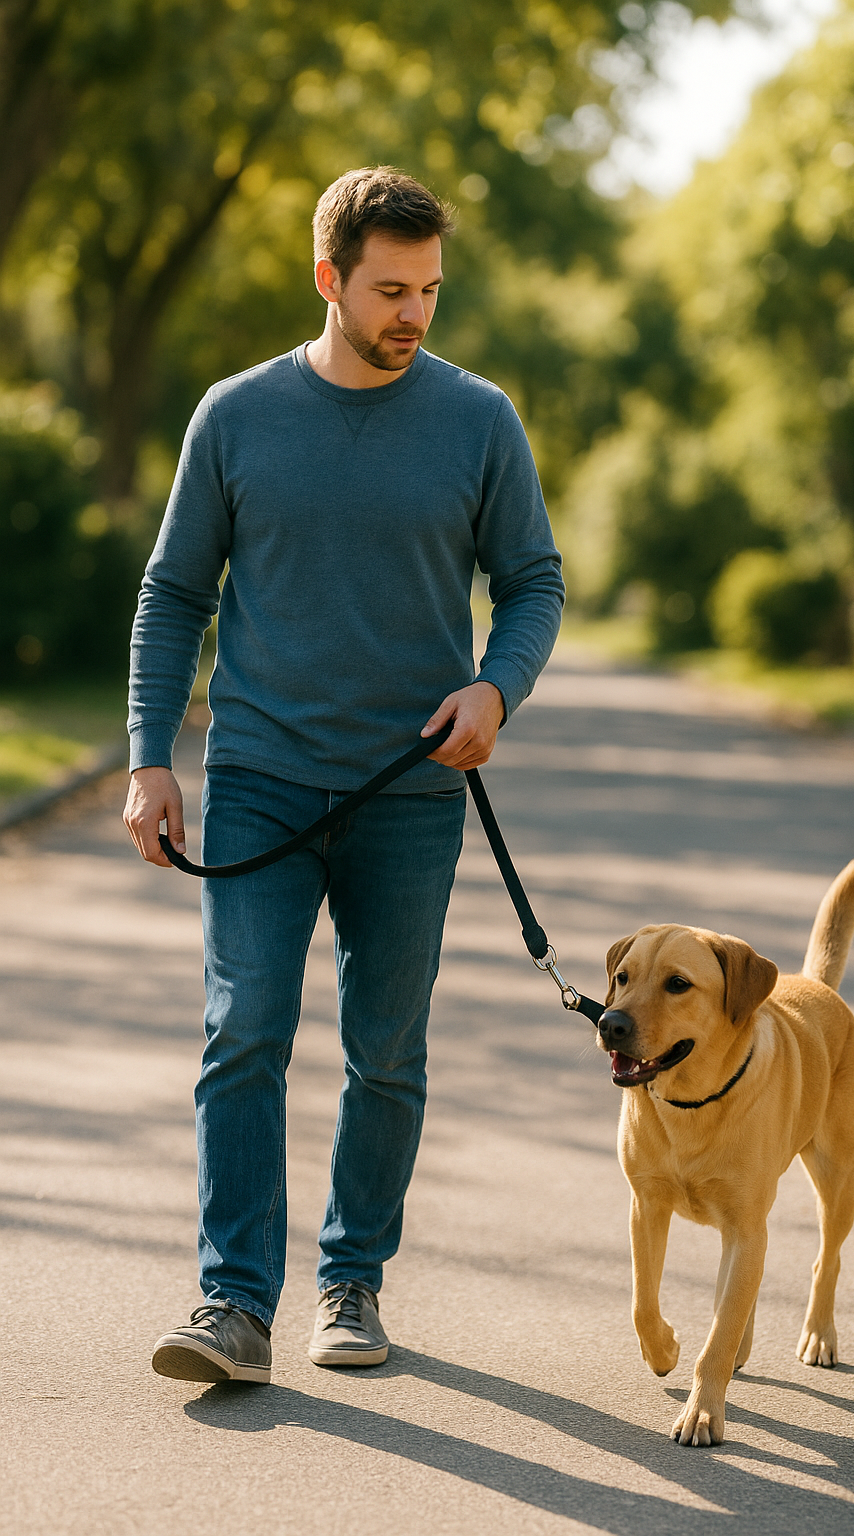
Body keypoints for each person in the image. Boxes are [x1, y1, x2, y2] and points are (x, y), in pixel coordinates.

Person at [123, 165, 564, 1384]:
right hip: (260, 777)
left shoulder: (479, 420)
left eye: (428, 289)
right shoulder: (237, 415)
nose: (412, 313)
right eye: (388, 290)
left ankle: (351, 1281)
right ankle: (231, 1305)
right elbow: (173, 596)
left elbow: (533, 579)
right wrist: (149, 760)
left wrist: (496, 686)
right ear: (329, 279)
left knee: (386, 1051)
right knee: (243, 1029)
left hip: (410, 797)